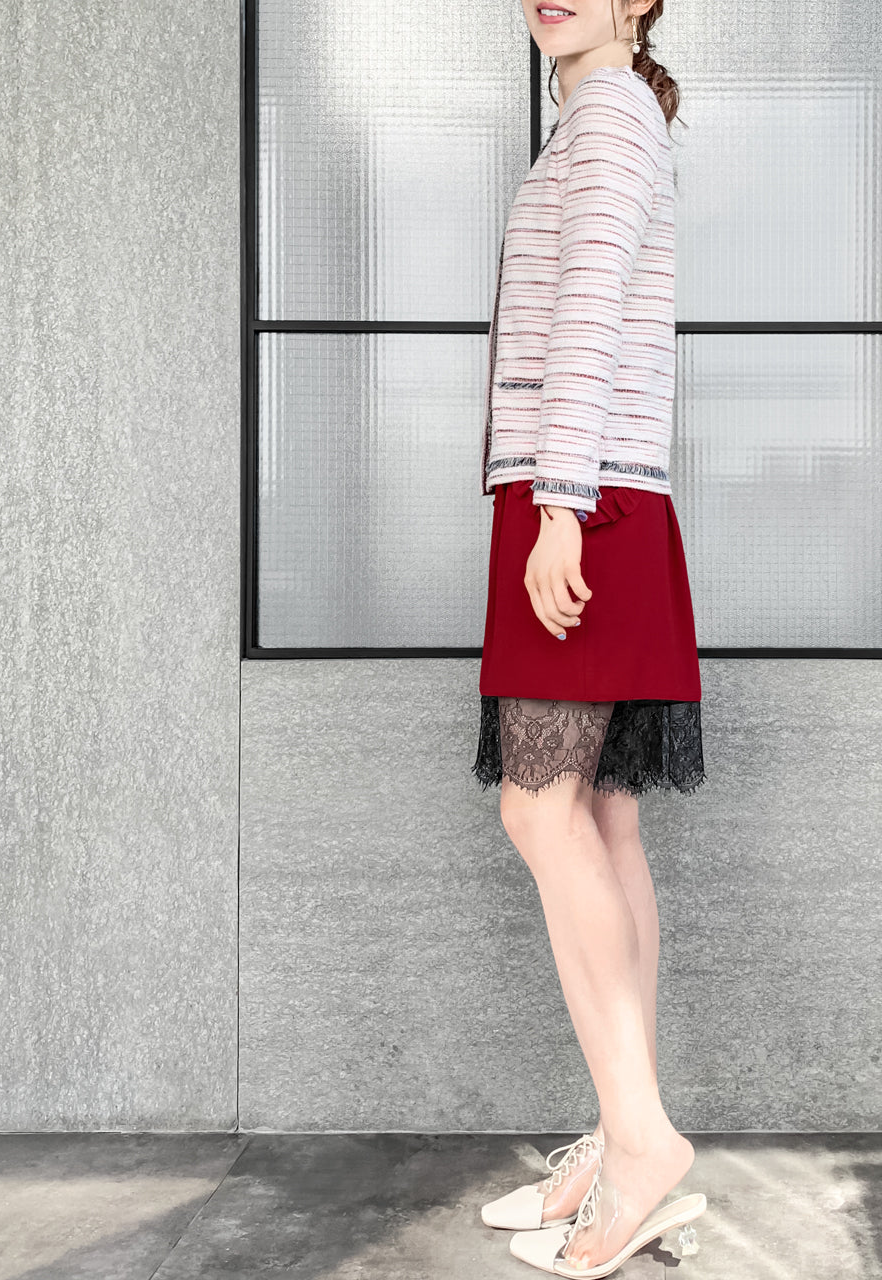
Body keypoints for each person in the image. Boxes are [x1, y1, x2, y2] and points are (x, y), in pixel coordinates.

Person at [471, 2, 707, 1275]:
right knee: (603, 822)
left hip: (581, 502)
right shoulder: (604, 119)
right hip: (604, 496)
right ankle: (628, 1145)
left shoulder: (608, 114)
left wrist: (557, 503)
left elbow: (589, 321)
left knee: (539, 808)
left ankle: (641, 1137)